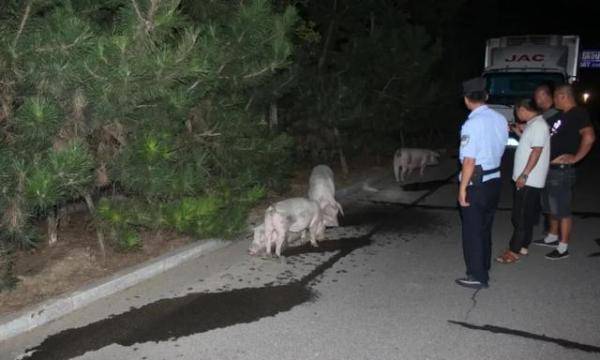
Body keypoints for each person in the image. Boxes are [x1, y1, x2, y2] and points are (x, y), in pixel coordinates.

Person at [456, 77, 508, 289]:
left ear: (467, 100)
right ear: (486, 96)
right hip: (494, 180)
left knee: (472, 231)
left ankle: (477, 275)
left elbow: (469, 160)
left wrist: (462, 189)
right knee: (485, 228)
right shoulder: (500, 119)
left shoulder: (472, 123)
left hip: (476, 183)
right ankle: (483, 266)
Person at [533, 84, 596, 259]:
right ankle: (552, 237)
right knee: (550, 206)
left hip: (561, 171)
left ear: (563, 96)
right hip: (550, 168)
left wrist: (576, 158)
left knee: (562, 209)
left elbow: (589, 136)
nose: (553, 100)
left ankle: (563, 248)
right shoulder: (562, 115)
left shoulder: (578, 113)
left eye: (555, 96)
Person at [495, 99, 550, 264]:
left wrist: (524, 174)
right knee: (526, 215)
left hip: (529, 180)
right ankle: (523, 246)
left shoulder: (539, 125)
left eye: (517, 112)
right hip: (529, 180)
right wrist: (518, 132)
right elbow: (530, 144)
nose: (516, 116)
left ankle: (513, 251)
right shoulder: (534, 125)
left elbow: (537, 151)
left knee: (519, 217)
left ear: (523, 109)